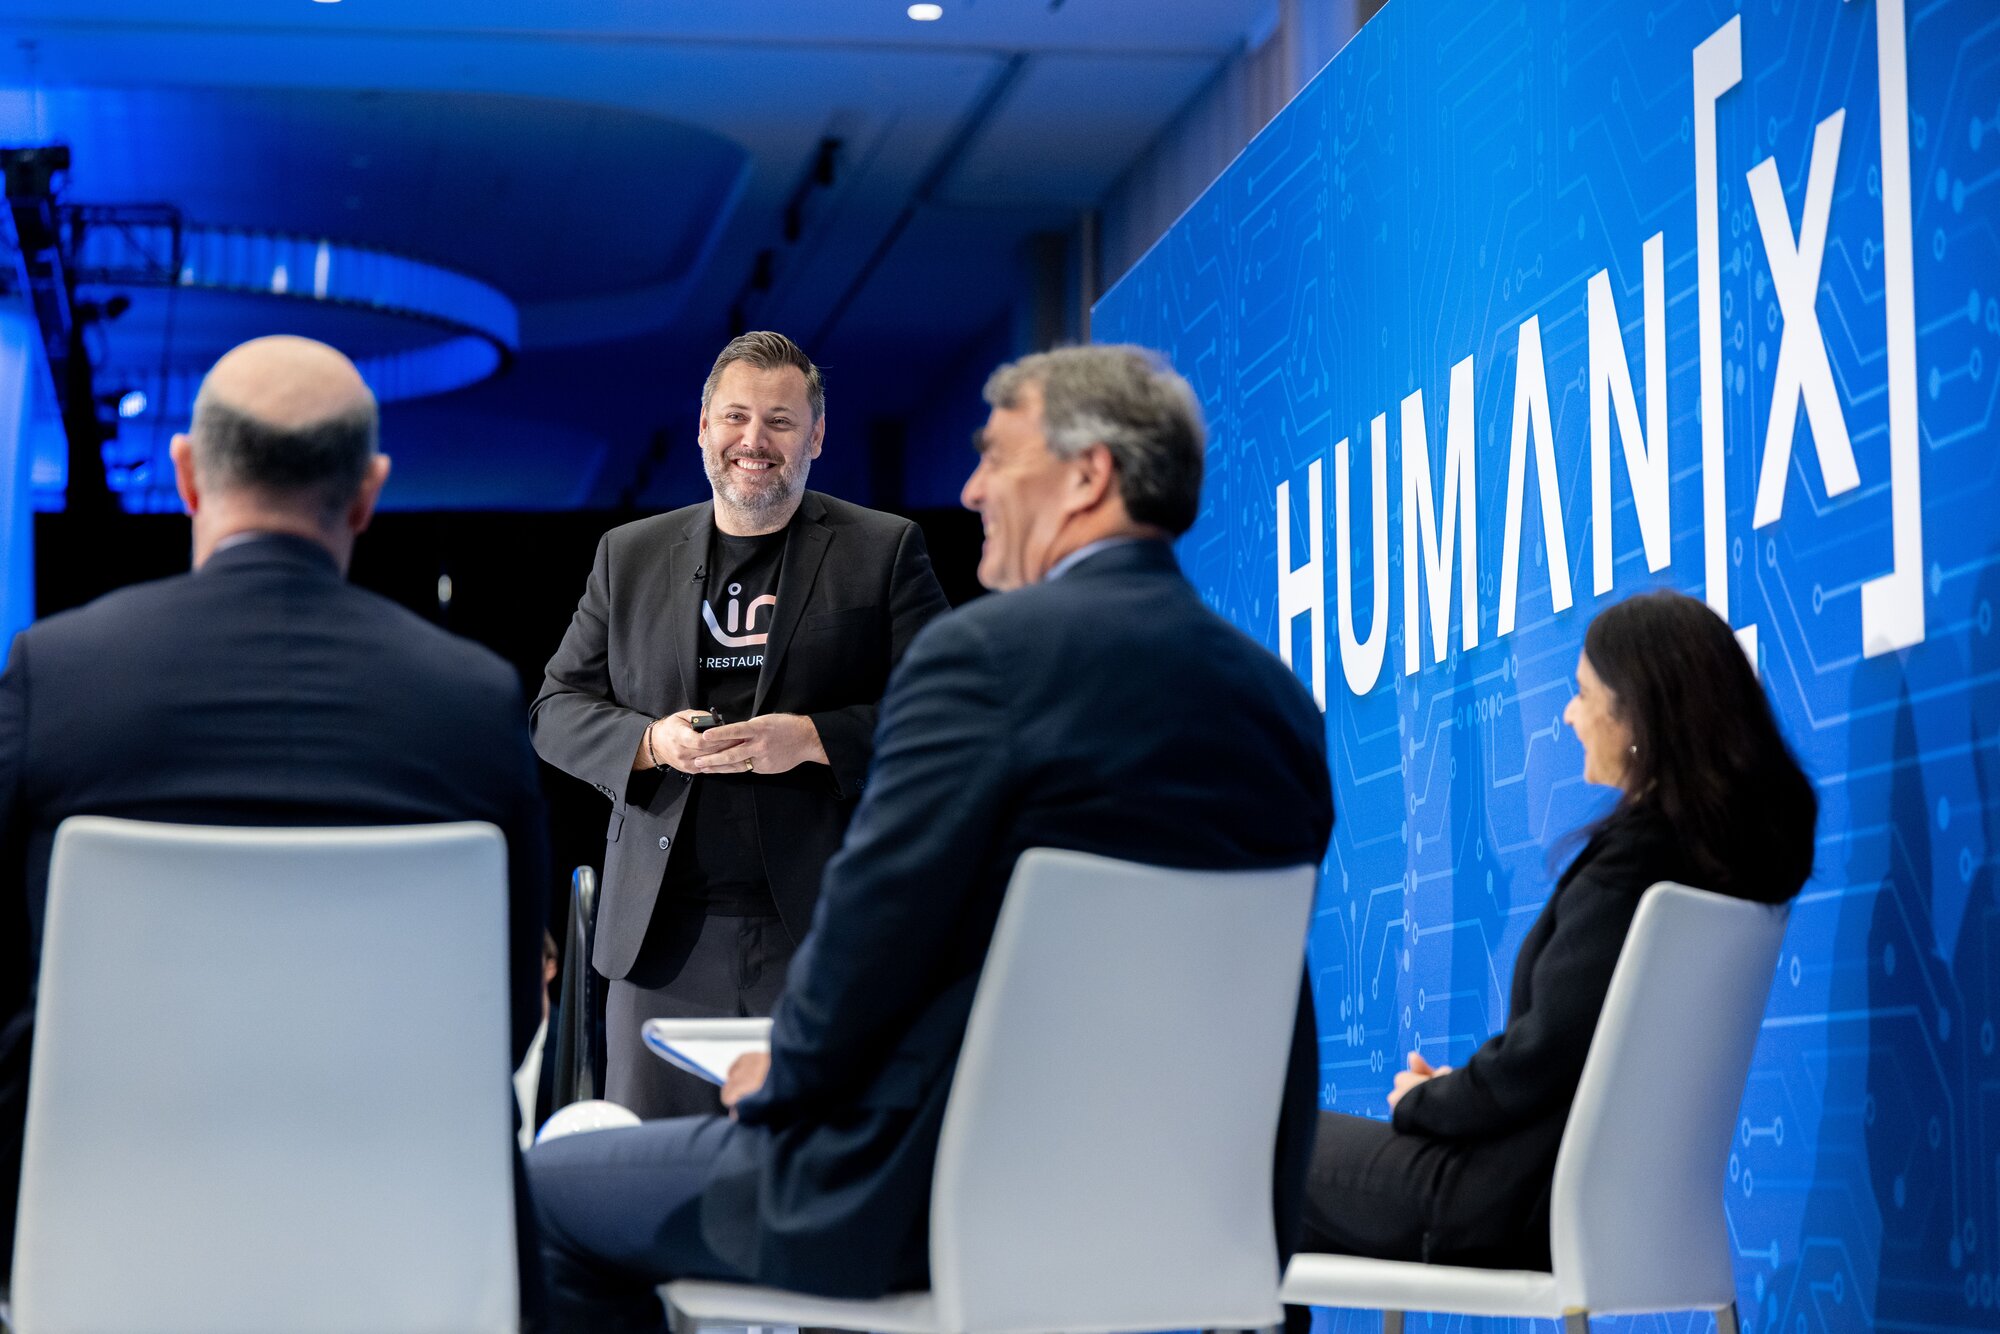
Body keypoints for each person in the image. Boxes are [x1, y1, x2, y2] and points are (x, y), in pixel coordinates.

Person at [525, 343, 1335, 1333]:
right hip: (1205, 1189)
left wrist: (789, 1070)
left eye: (996, 455)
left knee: (555, 1181)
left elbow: (881, 920)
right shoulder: (1278, 702)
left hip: (928, 1182)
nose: (971, 487)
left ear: (1086, 477)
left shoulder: (981, 661)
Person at [0, 335, 551, 1290]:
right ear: (369, 491)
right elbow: (499, 1021)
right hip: (410, 1248)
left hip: (104, 1246)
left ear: (186, 475)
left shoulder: (58, 674)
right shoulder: (473, 700)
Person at [1298, 588, 1817, 1270]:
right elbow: (1567, 1060)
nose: (1570, 715)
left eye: (1582, 694)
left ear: (1638, 716)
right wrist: (1464, 1094)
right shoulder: (1717, 869)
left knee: (1261, 1150)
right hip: (1592, 1203)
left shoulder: (1636, 866)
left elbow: (1543, 1058)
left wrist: (1429, 1101)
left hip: (1504, 1201)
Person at [533, 330, 948, 1119]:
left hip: (821, 939)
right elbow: (555, 708)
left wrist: (815, 739)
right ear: (702, 429)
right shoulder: (628, 555)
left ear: (817, 435)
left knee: (808, 1183)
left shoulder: (884, 550)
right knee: (656, 1192)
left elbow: (951, 715)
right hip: (660, 948)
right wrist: (650, 743)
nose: (753, 441)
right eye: (735, 418)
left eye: (781, 422)